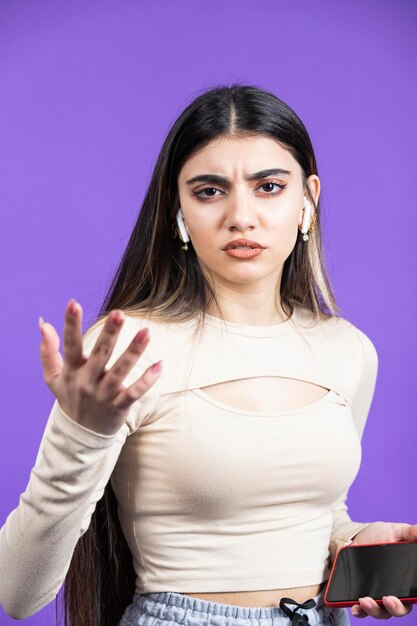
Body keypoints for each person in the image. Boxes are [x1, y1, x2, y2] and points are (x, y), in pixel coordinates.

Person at [0, 84, 415, 626]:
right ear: (178, 210)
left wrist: (354, 541)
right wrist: (83, 432)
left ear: (307, 200)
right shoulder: (129, 347)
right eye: (210, 191)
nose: (242, 217)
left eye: (269, 186)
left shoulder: (348, 350)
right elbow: (18, 592)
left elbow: (314, 511)